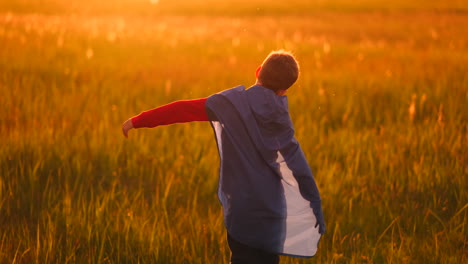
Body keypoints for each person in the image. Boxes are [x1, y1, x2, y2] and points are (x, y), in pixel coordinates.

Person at [122, 50, 325, 264]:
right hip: (272, 213)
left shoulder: (229, 105)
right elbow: (299, 168)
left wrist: (138, 120)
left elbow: (183, 109)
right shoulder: (282, 120)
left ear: (257, 71)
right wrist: (316, 209)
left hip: (242, 210)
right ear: (284, 91)